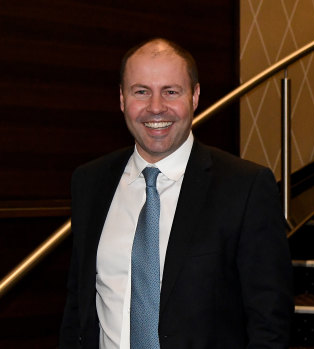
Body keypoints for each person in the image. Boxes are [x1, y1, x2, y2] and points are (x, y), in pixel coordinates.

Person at [59, 38, 294, 348]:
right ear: (121, 98)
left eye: (171, 91)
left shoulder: (245, 187)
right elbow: (78, 309)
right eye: (141, 91)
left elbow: (270, 323)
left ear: (195, 96)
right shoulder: (89, 182)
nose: (156, 107)